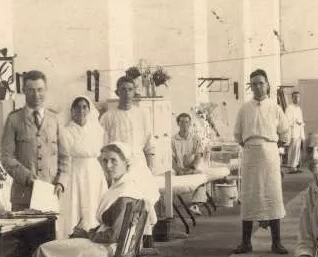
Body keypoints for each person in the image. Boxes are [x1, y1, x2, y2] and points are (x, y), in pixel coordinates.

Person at [27, 142, 148, 257]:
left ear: (126, 163)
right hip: (114, 249)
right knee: (55, 250)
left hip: (107, 251)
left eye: (113, 161)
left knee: (45, 251)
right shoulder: (123, 186)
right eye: (105, 161)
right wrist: (86, 233)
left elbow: (113, 235)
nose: (108, 165)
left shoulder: (126, 193)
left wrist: (87, 234)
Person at [233, 68, 290, 254]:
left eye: (261, 83)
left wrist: (270, 146)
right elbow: (238, 134)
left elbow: (285, 134)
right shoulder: (244, 109)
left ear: (267, 85)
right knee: (249, 196)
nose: (257, 87)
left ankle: (276, 242)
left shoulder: (275, 108)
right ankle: (246, 243)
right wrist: (252, 145)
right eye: (254, 84)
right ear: (250, 87)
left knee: (272, 195)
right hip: (250, 154)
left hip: (270, 155)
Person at [1, 70, 69, 211]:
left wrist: (61, 182)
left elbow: (65, 157)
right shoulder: (13, 119)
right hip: (22, 195)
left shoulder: (55, 119)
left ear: (46, 90)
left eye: (40, 90)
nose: (36, 95)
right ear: (24, 90)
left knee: (48, 227)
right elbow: (6, 157)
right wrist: (27, 177)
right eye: (31, 90)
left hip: (50, 193)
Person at [100, 76, 160, 237]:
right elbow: (103, 147)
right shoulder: (108, 117)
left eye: (130, 90)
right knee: (122, 203)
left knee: (143, 201)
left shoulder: (142, 114)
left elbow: (149, 142)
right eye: (123, 90)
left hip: (138, 164)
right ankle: (122, 242)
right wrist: (107, 171)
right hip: (118, 167)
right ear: (117, 92)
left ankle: (143, 241)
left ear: (134, 92)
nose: (127, 93)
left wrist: (151, 166)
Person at [59, 96, 106, 236]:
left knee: (94, 204)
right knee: (76, 205)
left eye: (84, 107)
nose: (81, 110)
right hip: (75, 171)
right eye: (77, 107)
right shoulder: (65, 131)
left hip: (94, 171)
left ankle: (94, 234)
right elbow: (65, 154)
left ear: (89, 110)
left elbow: (101, 151)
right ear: (72, 111)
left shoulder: (97, 129)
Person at [171, 112, 209, 215]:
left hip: (191, 169)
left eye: (186, 122)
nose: (184, 125)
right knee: (168, 178)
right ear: (178, 124)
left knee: (202, 176)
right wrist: (178, 170)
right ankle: (170, 208)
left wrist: (192, 168)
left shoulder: (195, 138)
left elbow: (198, 155)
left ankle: (195, 204)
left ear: (190, 123)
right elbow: (171, 159)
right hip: (178, 170)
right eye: (182, 122)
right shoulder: (173, 140)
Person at [283, 91, 305, 174]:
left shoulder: (299, 109)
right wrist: (295, 121)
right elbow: (287, 120)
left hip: (299, 132)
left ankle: (295, 166)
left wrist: (301, 124)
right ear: (292, 98)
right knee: (292, 150)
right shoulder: (289, 108)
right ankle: (291, 166)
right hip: (293, 132)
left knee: (297, 150)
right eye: (295, 97)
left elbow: (301, 120)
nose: (297, 98)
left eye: (298, 97)